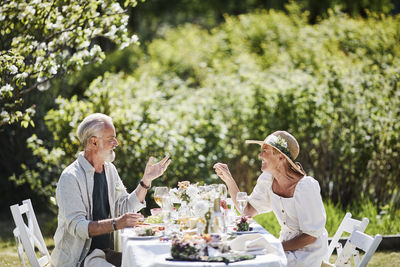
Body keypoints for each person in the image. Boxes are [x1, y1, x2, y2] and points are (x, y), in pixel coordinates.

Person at [51, 113, 171, 267]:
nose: (116, 143)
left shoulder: (109, 169)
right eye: (111, 139)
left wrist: (146, 180)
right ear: (93, 142)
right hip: (81, 259)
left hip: (106, 254)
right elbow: (79, 227)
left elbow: (124, 207)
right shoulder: (70, 177)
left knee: (148, 261)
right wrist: (117, 223)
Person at [214, 131, 328, 267]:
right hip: (284, 247)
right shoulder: (268, 179)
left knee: (252, 260)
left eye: (265, 151)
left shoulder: (306, 186)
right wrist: (229, 180)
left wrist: (275, 247)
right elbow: (247, 211)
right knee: (243, 255)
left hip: (308, 254)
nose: (260, 155)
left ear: (281, 157)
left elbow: (310, 236)